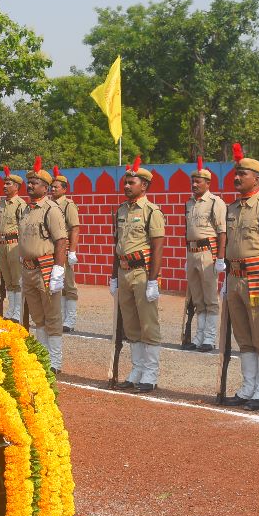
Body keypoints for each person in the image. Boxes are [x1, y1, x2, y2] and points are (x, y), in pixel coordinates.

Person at [220, 145, 259, 409]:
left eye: (242, 174)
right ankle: (247, 387)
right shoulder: (232, 208)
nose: (236, 178)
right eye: (236, 174)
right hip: (235, 277)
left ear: (256, 179)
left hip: (258, 278)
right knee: (243, 336)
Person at [110, 157, 166, 393]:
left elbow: (158, 246)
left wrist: (153, 279)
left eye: (131, 182)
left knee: (148, 323)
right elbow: (117, 244)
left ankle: (150, 373)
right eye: (125, 182)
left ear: (143, 185)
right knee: (131, 324)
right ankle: (137, 369)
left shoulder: (151, 211)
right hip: (124, 271)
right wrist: (113, 276)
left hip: (142, 273)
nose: (126, 186)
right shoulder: (121, 210)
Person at [19, 158, 69, 371]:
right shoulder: (27, 210)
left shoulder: (52, 209)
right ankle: (43, 356)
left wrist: (58, 270)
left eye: (35, 183)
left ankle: (55, 361)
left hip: (46, 268)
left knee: (52, 315)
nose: (30, 185)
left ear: (46, 187)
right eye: (29, 182)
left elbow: (61, 241)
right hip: (28, 268)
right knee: (37, 316)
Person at [183, 157, 227, 352]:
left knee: (210, 297)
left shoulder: (215, 202)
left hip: (208, 253)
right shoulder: (189, 203)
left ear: (208, 183)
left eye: (198, 181)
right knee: (197, 298)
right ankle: (199, 336)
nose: (194, 184)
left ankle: (209, 337)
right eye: (193, 181)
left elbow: (222, 232)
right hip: (192, 253)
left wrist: (220, 258)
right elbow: (187, 231)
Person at [50, 169, 83, 331]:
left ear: (64, 189)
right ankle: (61, 316)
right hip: (52, 250)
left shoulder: (68, 205)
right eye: (52, 186)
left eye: (56, 187)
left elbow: (74, 228)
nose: (53, 189)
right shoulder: (49, 204)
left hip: (64, 249)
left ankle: (70, 319)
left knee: (69, 285)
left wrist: (72, 251)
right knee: (57, 284)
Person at [0, 166, 28, 321]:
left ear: (16, 187)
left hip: (14, 243)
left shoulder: (20, 204)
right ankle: (11, 308)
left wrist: (23, 250)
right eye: (4, 183)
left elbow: (23, 227)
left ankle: (18, 310)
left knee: (16, 278)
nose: (4, 186)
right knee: (8, 279)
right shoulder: (1, 204)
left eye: (8, 184)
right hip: (2, 243)